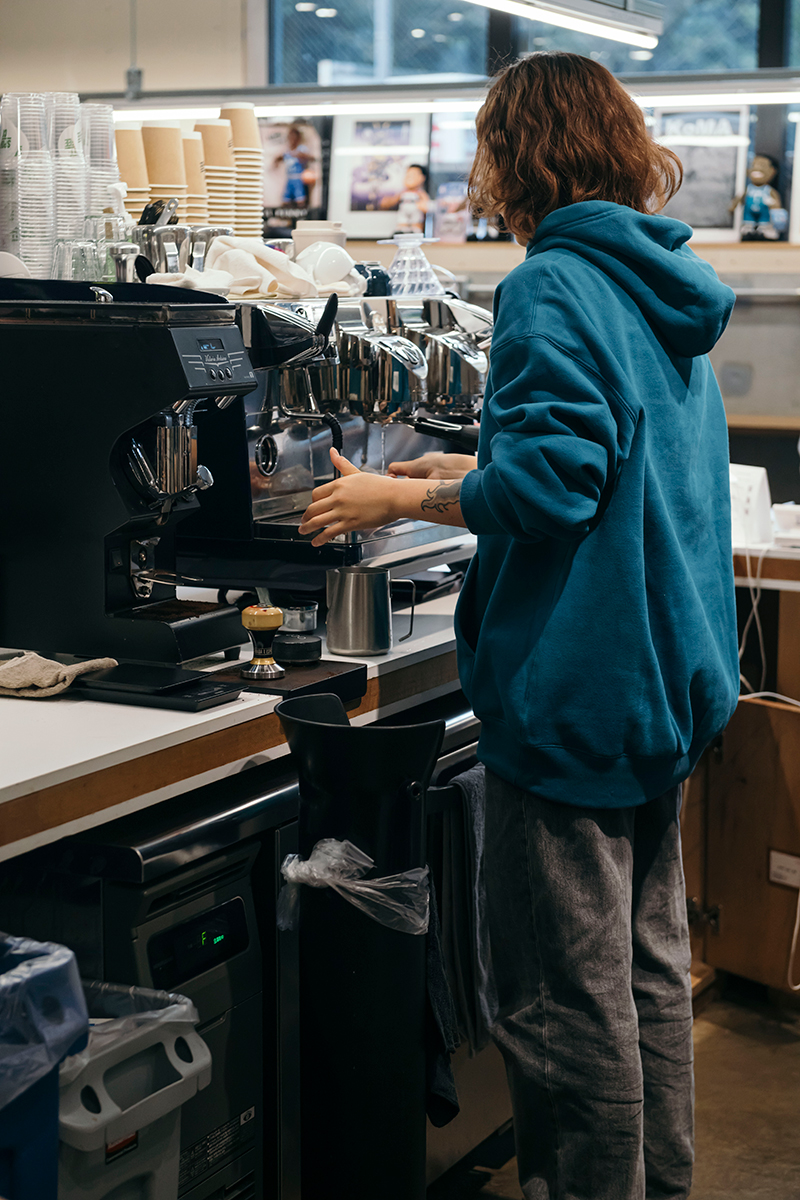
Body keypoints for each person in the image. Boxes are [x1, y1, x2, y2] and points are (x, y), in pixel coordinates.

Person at [299, 51, 739, 1200]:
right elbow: (611, 463)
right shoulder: (654, 281)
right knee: (646, 974)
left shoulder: (549, 282)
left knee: (560, 998)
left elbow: (553, 491)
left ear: (513, 152)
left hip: (577, 686)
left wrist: (399, 495)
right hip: (662, 681)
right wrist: (473, 462)